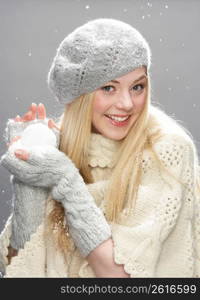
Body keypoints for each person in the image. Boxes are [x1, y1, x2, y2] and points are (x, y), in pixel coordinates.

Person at [0, 18, 200, 278]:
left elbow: (121, 277)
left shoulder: (167, 151)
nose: (127, 103)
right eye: (109, 88)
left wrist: (66, 180)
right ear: (79, 97)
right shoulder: (60, 150)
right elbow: (21, 271)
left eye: (137, 87)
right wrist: (28, 175)